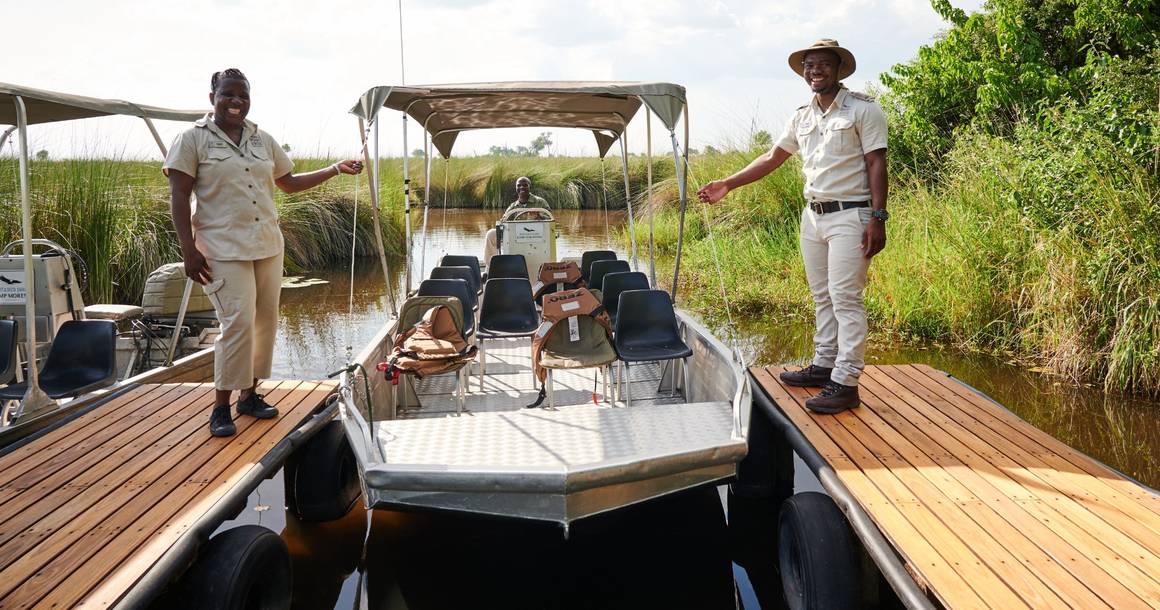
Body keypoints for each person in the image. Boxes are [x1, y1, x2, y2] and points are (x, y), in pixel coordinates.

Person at [165, 68, 364, 437]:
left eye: (243, 95)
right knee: (237, 324)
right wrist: (188, 250)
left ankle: (249, 396)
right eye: (228, 94)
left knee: (265, 322)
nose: (236, 102)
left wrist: (336, 168)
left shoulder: (262, 138)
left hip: (267, 246)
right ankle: (220, 407)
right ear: (212, 98)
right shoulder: (192, 139)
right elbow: (179, 195)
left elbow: (289, 183)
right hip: (222, 248)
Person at [697, 39, 889, 414]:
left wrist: (878, 218)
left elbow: (876, 163)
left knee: (846, 298)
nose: (815, 70)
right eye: (809, 65)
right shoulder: (802, 116)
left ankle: (846, 383)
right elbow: (773, 157)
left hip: (851, 216)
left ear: (839, 69)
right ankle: (824, 365)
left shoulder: (863, 109)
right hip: (813, 216)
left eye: (823, 64)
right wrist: (728, 184)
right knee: (822, 296)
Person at [483, 176, 549, 264]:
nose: (522, 187)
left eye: (525, 185)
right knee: (491, 234)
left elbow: (550, 219)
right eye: (519, 185)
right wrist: (503, 220)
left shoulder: (540, 202)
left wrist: (538, 216)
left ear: (530, 187)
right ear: (516, 188)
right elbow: (504, 222)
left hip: (537, 234)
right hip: (517, 235)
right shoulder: (513, 206)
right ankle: (491, 266)